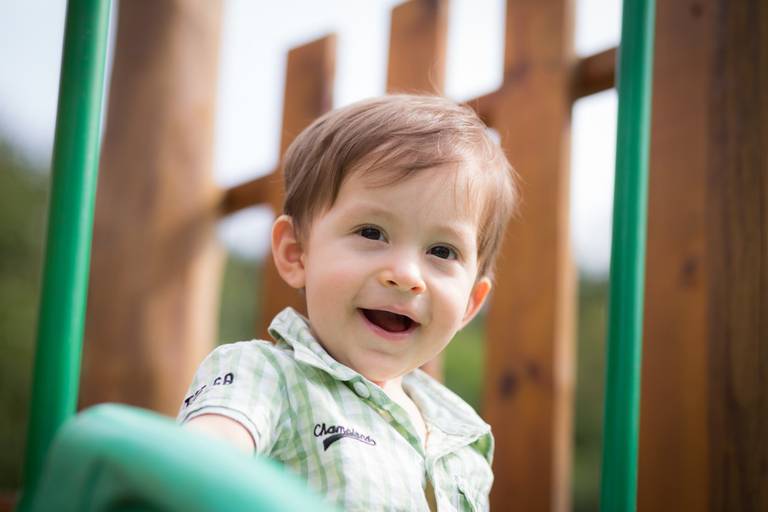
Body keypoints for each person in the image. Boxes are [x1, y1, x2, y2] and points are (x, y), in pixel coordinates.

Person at [177, 94, 517, 511]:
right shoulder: (267, 376)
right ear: (296, 253)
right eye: (372, 233)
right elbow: (198, 467)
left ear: (471, 302)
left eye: (443, 252)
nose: (406, 275)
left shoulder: (460, 435)